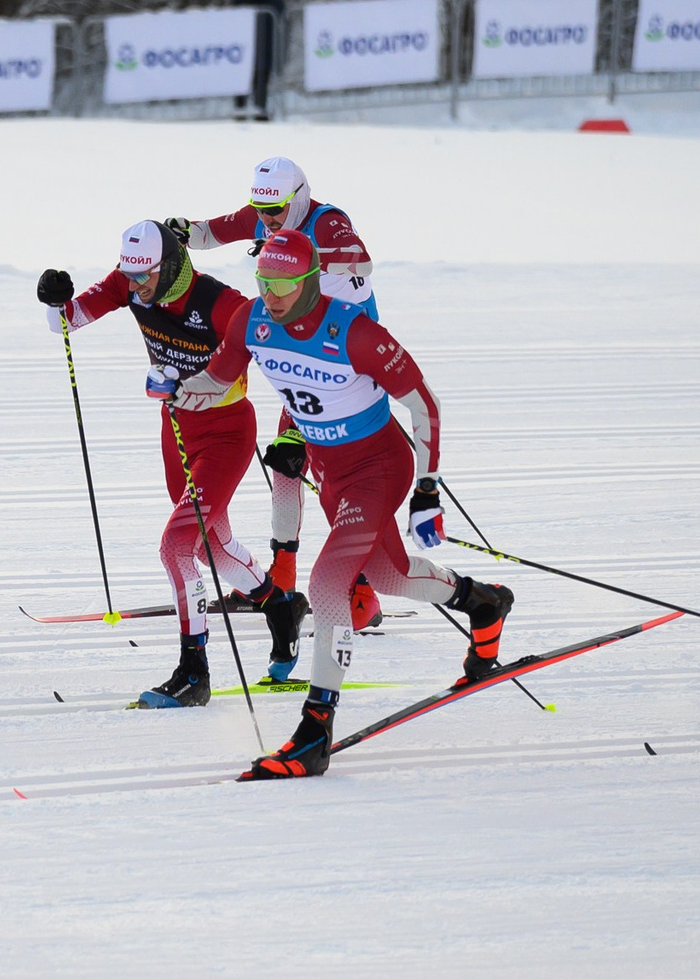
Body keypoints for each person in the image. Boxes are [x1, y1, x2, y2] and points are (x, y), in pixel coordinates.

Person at [201, 229, 513, 778]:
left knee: (326, 584)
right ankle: (482, 602)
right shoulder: (251, 319)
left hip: (379, 466)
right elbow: (219, 376)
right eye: (264, 282)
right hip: (332, 471)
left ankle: (314, 731)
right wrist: (181, 388)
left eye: (283, 284)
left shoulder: (357, 334)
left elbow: (426, 406)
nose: (271, 295)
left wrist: (427, 489)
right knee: (388, 577)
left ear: (311, 281)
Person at [38, 221, 305, 705]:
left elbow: (274, 356)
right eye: (129, 275)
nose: (136, 287)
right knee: (210, 546)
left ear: (173, 266)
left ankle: (193, 671)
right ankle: (280, 606)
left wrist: (293, 432)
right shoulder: (130, 280)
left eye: (145, 277)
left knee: (176, 546)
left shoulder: (221, 303)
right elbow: (66, 322)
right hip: (177, 431)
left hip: (226, 433)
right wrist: (56, 300)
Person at [165, 156, 383, 626]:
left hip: (347, 371)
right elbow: (213, 231)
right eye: (261, 210)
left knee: (332, 481)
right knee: (284, 468)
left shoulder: (329, 223)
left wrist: (312, 264)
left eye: (276, 211)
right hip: (305, 366)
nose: (265, 220)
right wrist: (183, 231)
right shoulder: (264, 213)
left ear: (298, 198)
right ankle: (282, 579)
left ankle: (363, 590)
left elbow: (361, 264)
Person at [234, 0, 286, 117]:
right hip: (243, 51)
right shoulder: (241, 1)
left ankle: (261, 114)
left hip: (266, 49)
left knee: (261, 84)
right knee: (241, 84)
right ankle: (240, 114)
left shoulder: (275, 3)